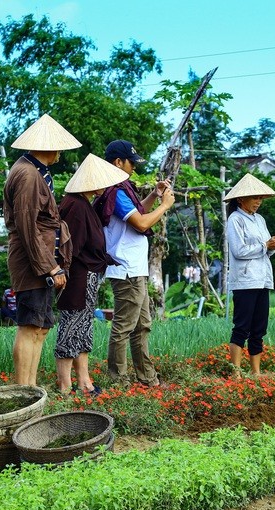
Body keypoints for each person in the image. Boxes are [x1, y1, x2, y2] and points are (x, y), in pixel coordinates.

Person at [4, 114, 79, 386]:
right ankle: (23, 389)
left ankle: (31, 387)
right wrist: (50, 265)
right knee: (30, 326)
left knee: (41, 327)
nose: (60, 152)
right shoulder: (26, 174)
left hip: (43, 259)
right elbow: (26, 224)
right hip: (32, 261)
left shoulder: (37, 171)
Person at [94, 140, 175, 387]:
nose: (133, 168)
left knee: (142, 326)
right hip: (126, 268)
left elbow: (137, 212)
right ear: (118, 162)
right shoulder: (116, 192)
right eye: (131, 163)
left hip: (133, 268)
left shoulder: (119, 190)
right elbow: (141, 223)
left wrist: (154, 195)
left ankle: (147, 377)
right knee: (125, 326)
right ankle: (118, 380)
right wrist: (165, 205)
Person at [55, 153, 127, 395]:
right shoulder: (75, 206)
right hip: (77, 277)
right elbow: (70, 248)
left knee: (84, 328)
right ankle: (65, 385)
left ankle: (84, 381)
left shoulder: (83, 203)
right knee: (71, 327)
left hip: (87, 275)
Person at [224, 173, 275, 377]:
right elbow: (239, 251)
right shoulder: (235, 219)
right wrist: (265, 245)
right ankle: (235, 372)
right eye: (255, 198)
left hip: (262, 279)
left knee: (259, 328)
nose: (258, 202)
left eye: (260, 198)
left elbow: (265, 249)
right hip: (245, 281)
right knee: (242, 326)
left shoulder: (259, 219)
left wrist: (274, 246)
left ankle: (256, 371)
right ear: (241, 199)